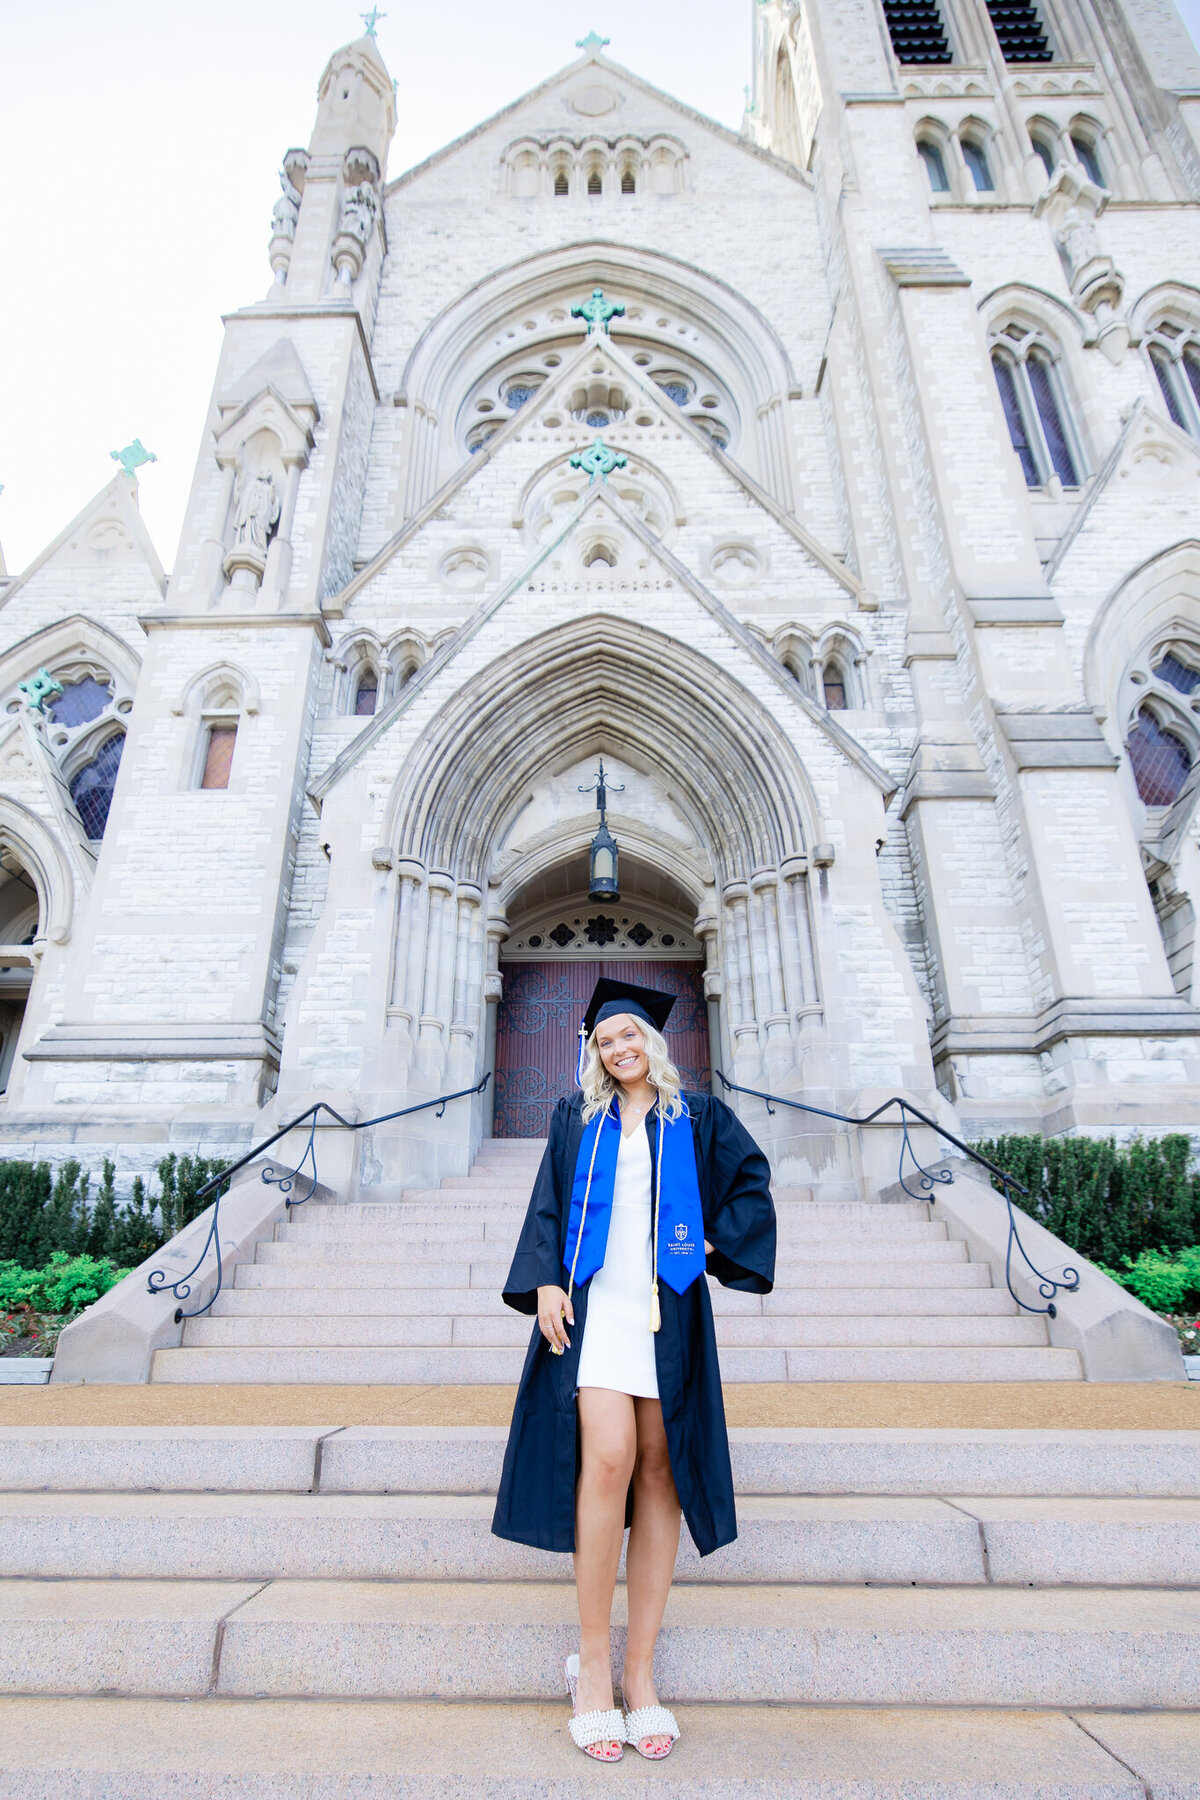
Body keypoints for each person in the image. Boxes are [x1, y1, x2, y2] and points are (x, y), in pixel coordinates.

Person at [491, 976, 776, 1763]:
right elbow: (548, 1203)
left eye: (630, 1037)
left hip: (668, 1310)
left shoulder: (700, 1118)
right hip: (595, 1309)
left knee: (661, 1471)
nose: (619, 1048)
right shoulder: (574, 1119)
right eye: (604, 1040)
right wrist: (547, 1277)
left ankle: (640, 1673)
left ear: (655, 1044)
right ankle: (592, 1665)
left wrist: (715, 1246)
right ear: (594, 1051)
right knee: (608, 1457)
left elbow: (751, 1184)